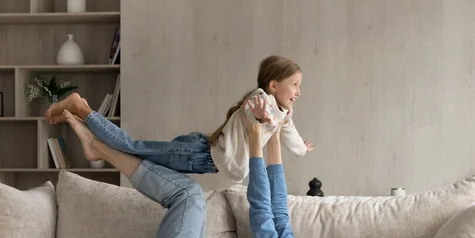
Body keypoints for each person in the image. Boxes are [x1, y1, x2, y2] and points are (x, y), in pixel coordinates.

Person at [60, 104, 363, 238]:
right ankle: (99, 148)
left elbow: (261, 215)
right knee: (190, 198)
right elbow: (279, 211)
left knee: (189, 195)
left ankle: (101, 147)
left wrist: (256, 138)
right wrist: (275, 134)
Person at [45, 55, 316, 182]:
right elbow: (251, 112)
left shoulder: (283, 114)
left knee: (144, 161)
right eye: (294, 85)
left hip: (202, 154)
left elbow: (289, 134)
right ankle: (82, 109)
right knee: (136, 149)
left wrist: (302, 149)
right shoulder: (260, 100)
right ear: (272, 85)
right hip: (200, 155)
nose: (298, 92)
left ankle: (96, 146)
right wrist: (260, 117)